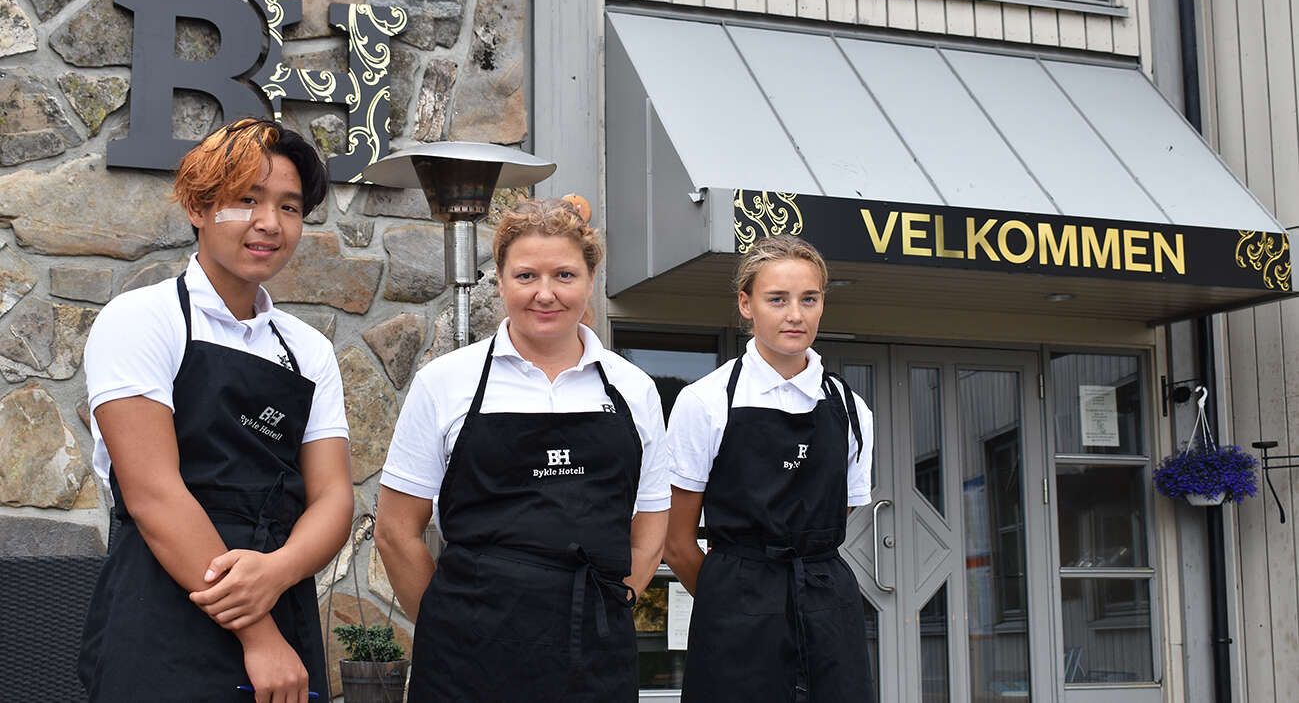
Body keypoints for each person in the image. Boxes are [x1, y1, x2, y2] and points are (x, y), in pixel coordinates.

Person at [78, 118, 354, 703]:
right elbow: (155, 495)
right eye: (246, 200)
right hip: (163, 602)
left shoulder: (309, 350)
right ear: (198, 208)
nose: (269, 223)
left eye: (289, 207)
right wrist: (259, 634)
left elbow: (333, 498)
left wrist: (277, 572)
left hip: (279, 592)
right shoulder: (141, 320)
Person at [374, 197, 670, 701]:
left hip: (594, 662)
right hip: (464, 666)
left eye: (564, 275)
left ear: (590, 281)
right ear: (501, 281)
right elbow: (395, 532)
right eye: (526, 275)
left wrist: (611, 606)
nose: (545, 294)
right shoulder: (444, 382)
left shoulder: (634, 389)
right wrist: (450, 628)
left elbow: (650, 530)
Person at [663, 234, 875, 702]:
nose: (795, 314)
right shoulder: (705, 402)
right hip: (736, 613)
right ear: (746, 304)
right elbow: (676, 543)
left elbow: (836, 516)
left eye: (809, 299)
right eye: (777, 299)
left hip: (828, 612)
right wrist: (733, 601)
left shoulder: (852, 409)